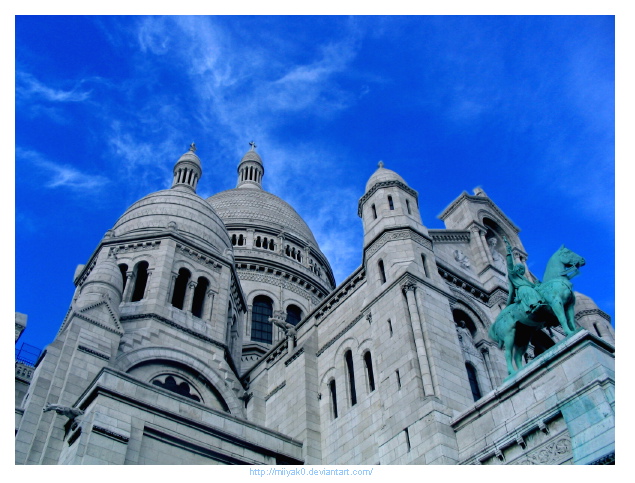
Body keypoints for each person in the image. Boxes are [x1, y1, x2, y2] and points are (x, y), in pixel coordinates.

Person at [504, 237, 544, 314]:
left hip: (530, 290)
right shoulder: (513, 276)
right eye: (519, 268)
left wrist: (538, 285)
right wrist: (509, 253)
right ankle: (534, 305)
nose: (520, 270)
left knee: (534, 290)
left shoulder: (525, 279)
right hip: (523, 291)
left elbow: (532, 285)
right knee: (527, 290)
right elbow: (510, 264)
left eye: (522, 269)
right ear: (515, 269)